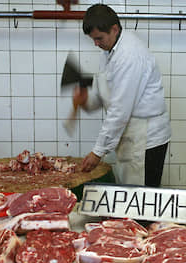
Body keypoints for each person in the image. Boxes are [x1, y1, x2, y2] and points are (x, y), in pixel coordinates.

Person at [73, 4, 171, 187]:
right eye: (93, 39)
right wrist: (87, 100)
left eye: (99, 38)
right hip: (132, 135)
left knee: (141, 201)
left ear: (114, 29)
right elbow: (107, 93)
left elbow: (119, 110)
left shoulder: (129, 55)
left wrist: (97, 152)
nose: (96, 44)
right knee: (129, 197)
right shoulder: (109, 50)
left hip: (146, 140)